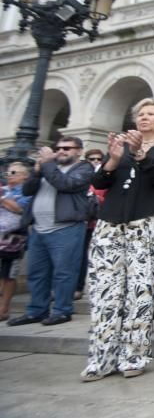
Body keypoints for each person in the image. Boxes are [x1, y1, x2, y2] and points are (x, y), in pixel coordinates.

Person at [81, 98, 154, 381]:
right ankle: (101, 359)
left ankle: (134, 356)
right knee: (105, 293)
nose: (144, 118)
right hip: (110, 223)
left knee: (139, 290)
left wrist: (141, 155)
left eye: (151, 114)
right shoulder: (121, 148)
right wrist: (113, 160)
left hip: (147, 222)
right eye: (140, 114)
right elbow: (100, 183)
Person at [8, 137, 92, 327]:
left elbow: (65, 185)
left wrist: (47, 164)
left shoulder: (83, 168)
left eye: (67, 148)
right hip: (38, 228)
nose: (61, 150)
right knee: (37, 273)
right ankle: (36, 311)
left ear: (79, 151)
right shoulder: (47, 168)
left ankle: (62, 310)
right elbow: (27, 190)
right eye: (58, 147)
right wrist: (37, 172)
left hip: (66, 228)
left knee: (64, 272)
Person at [0, 162, 32, 321]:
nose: (9, 175)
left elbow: (20, 209)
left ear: (24, 175)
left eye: (14, 172)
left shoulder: (26, 191)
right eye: (8, 173)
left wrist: (2, 198)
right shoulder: (5, 189)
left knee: (9, 274)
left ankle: (4, 308)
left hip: (14, 239)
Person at [77, 149, 106, 301]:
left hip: (99, 221)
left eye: (98, 158)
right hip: (84, 221)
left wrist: (95, 199)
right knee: (81, 255)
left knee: (95, 256)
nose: (95, 161)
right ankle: (78, 286)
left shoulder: (104, 174)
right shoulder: (82, 174)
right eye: (91, 158)